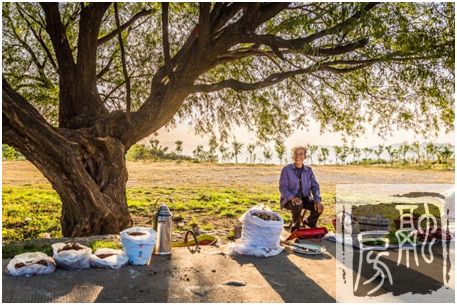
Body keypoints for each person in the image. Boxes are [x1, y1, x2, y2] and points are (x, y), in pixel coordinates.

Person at [279, 145, 324, 232]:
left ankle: (310, 222)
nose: (298, 156)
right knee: (297, 204)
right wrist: (292, 197)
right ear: (293, 156)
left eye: (301, 154)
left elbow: (315, 186)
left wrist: (317, 200)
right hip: (289, 199)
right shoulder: (286, 170)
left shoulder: (309, 170)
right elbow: (282, 188)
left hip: (305, 198)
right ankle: (296, 227)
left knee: (319, 207)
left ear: (305, 157)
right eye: (296, 154)